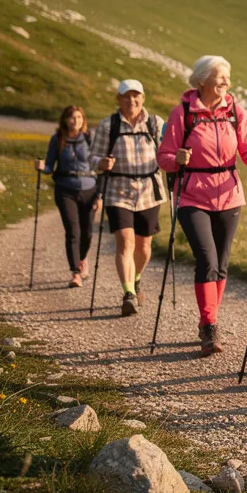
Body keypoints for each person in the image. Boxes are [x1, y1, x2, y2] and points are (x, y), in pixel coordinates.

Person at [157, 56, 247, 357]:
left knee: (221, 261)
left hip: (229, 194)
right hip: (192, 195)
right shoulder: (182, 113)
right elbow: (164, 157)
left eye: (228, 76)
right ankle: (209, 324)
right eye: (220, 76)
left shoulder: (235, 112)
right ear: (202, 80)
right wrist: (176, 160)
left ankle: (209, 318)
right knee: (207, 259)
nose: (226, 82)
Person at [89, 80, 168, 317]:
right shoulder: (108, 125)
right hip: (118, 191)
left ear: (143, 98)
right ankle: (129, 294)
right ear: (119, 98)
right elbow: (93, 158)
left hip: (149, 191)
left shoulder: (155, 123)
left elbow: (166, 154)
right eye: (126, 96)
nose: (131, 101)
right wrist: (101, 163)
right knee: (125, 242)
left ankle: (136, 279)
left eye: (136, 96)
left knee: (144, 247)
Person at [37, 106, 98, 288]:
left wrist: (100, 195)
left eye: (79, 117)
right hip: (65, 189)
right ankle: (76, 272)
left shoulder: (89, 138)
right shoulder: (57, 139)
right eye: (71, 117)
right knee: (73, 231)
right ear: (65, 120)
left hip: (89, 189)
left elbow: (99, 166)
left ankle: (82, 258)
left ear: (83, 120)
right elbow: (50, 166)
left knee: (87, 232)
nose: (75, 121)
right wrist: (42, 167)